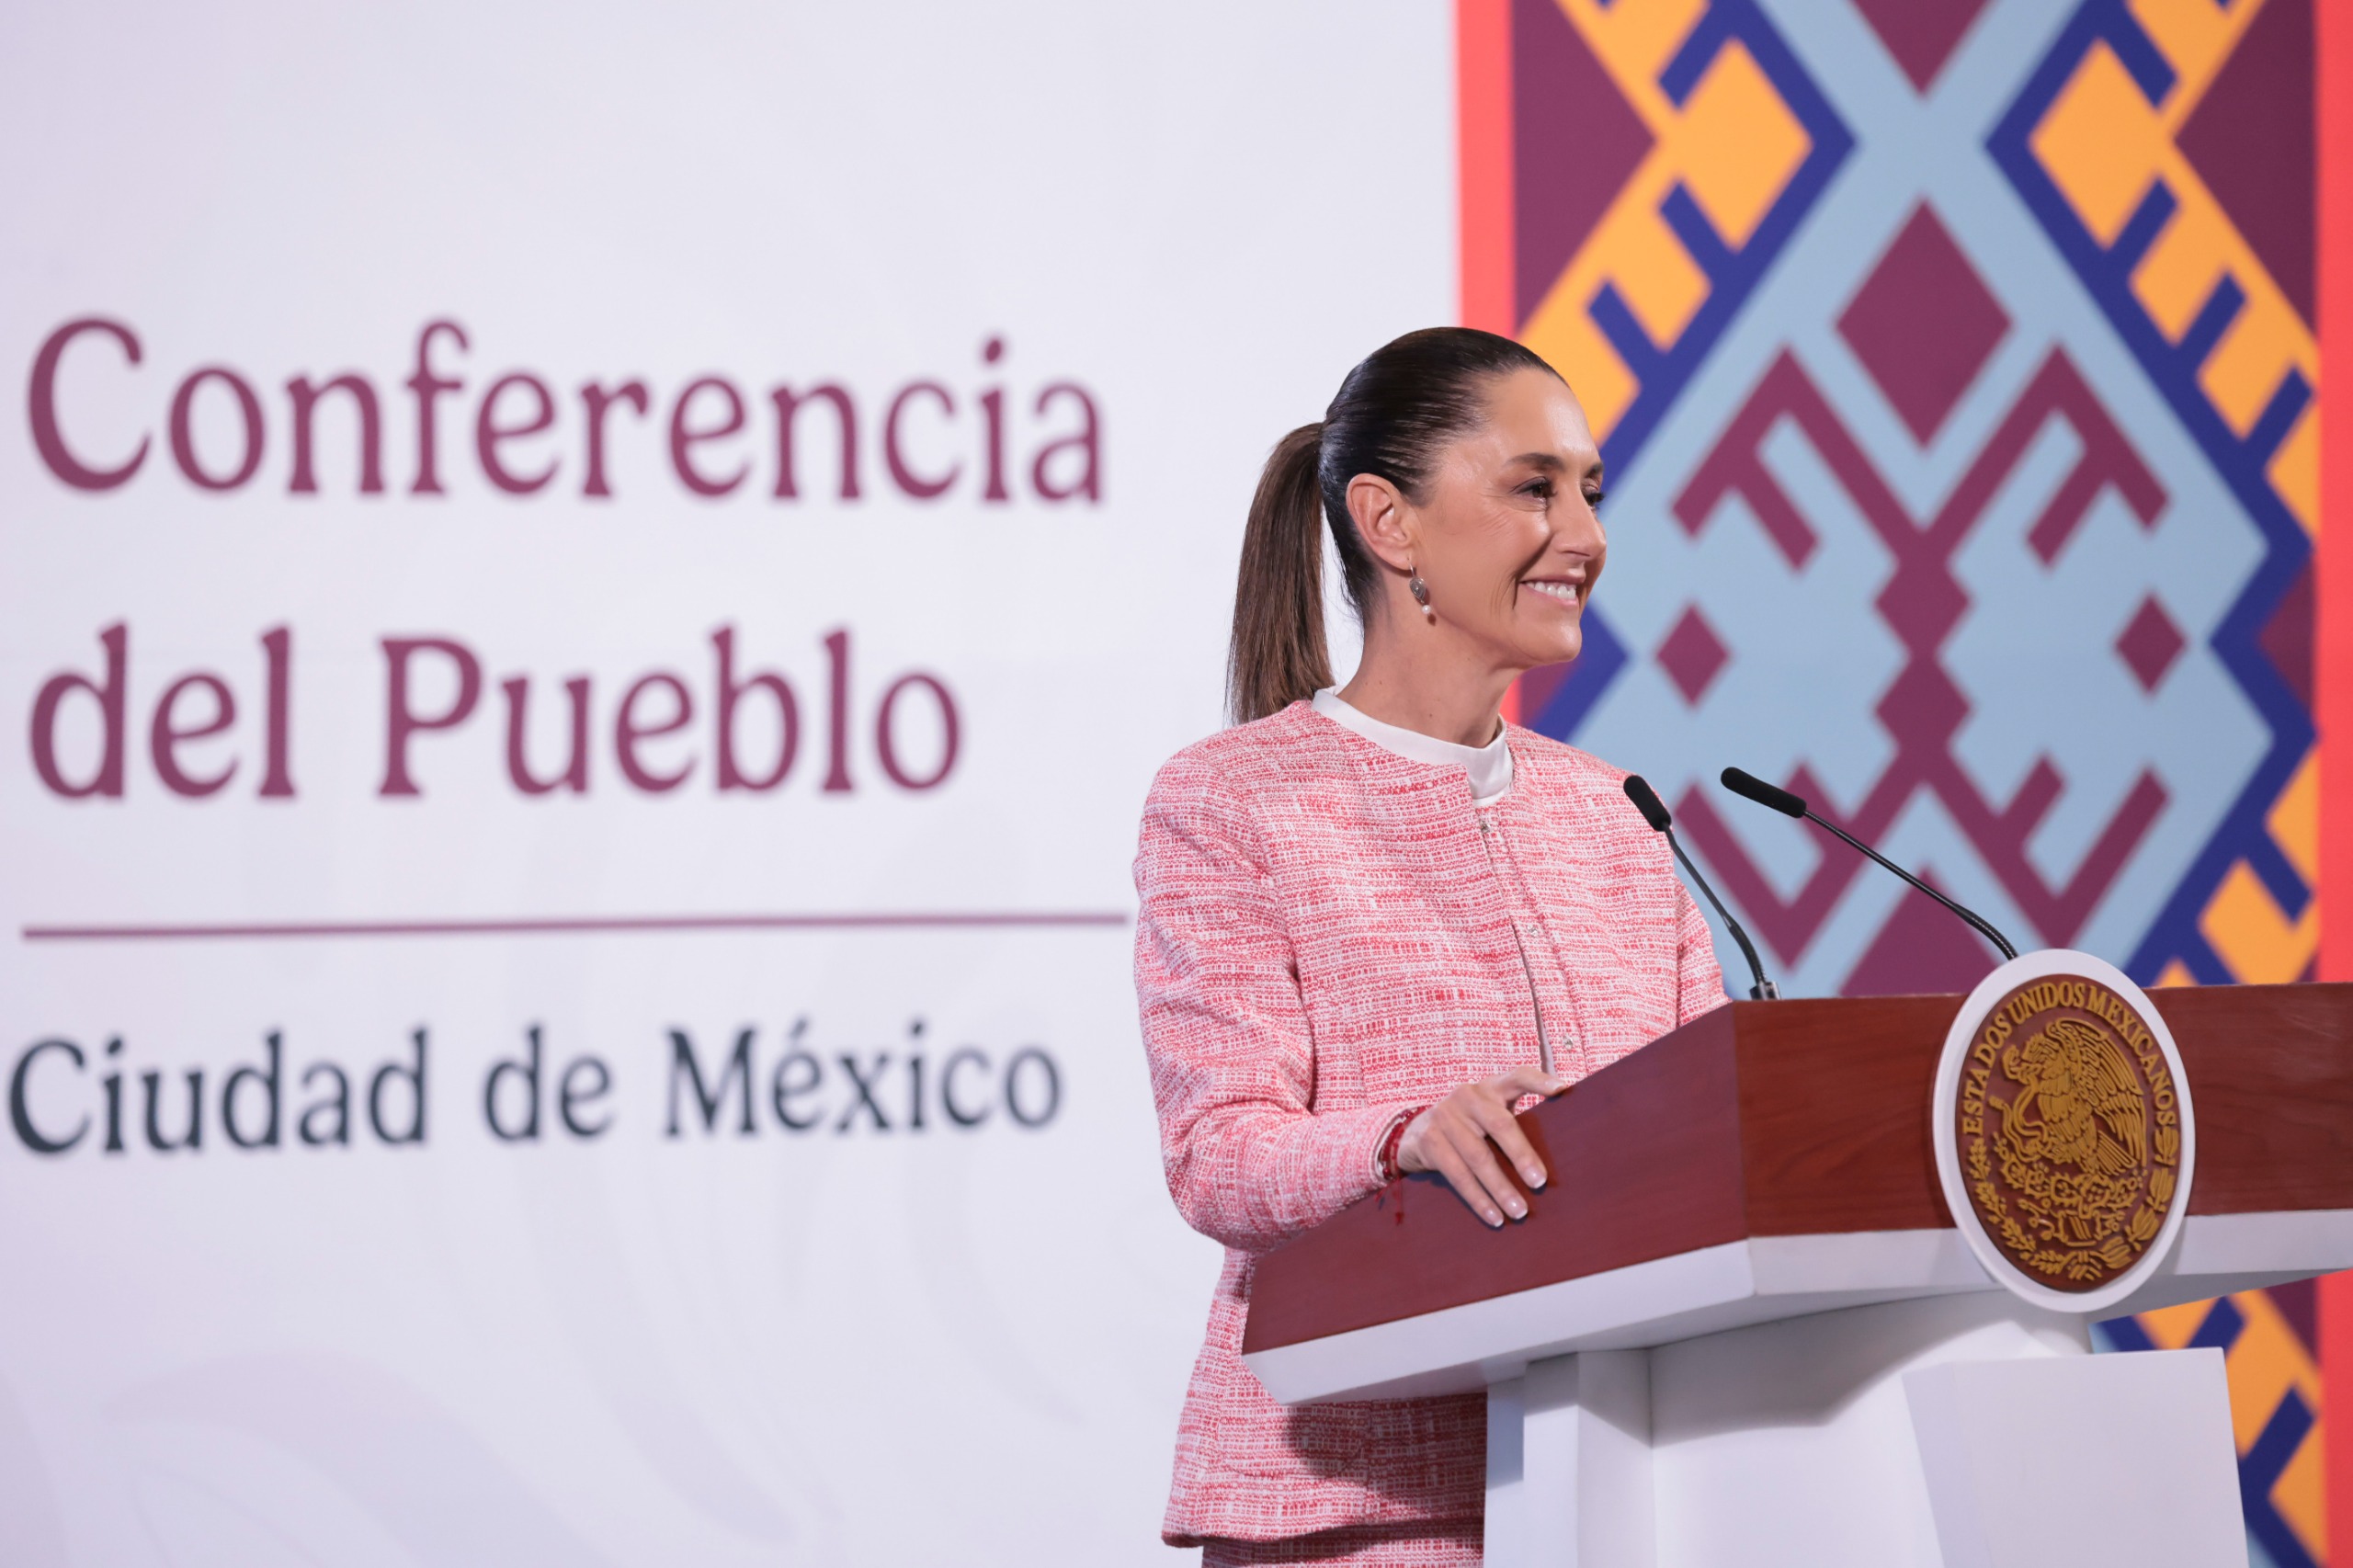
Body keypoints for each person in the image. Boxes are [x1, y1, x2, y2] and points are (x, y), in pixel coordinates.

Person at [1132, 327, 1727, 1564]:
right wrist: (1407, 1136)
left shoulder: (1618, 813)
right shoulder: (1233, 799)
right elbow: (1218, 1154)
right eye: (1534, 487)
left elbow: (1706, 1139)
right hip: (1354, 1506)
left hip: (1633, 1490)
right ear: (1388, 524)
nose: (1586, 534)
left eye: (1592, 492)